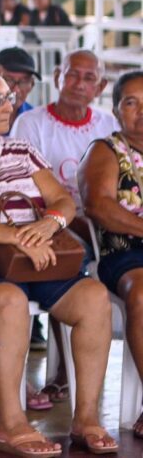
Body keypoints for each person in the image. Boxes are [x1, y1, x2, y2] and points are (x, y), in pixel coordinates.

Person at [0, 68, 116, 456]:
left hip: (40, 255)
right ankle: (11, 423)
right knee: (10, 303)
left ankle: (85, 418)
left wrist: (48, 224)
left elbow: (62, 201)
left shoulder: (21, 150)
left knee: (94, 299)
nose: (10, 105)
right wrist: (20, 237)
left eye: (9, 97)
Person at [80, 71, 143, 436]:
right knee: (142, 291)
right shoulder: (106, 150)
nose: (141, 111)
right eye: (131, 103)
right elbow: (99, 207)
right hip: (126, 254)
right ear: (117, 112)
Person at [11, 50, 118, 210]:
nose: (79, 85)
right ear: (56, 78)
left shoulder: (111, 125)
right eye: (72, 75)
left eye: (89, 78)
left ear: (100, 87)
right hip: (51, 218)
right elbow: (25, 187)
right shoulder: (30, 123)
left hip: (102, 218)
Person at [0, 47, 40, 121]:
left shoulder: (36, 121)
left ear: (32, 85)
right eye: (8, 80)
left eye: (24, 81)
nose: (16, 90)